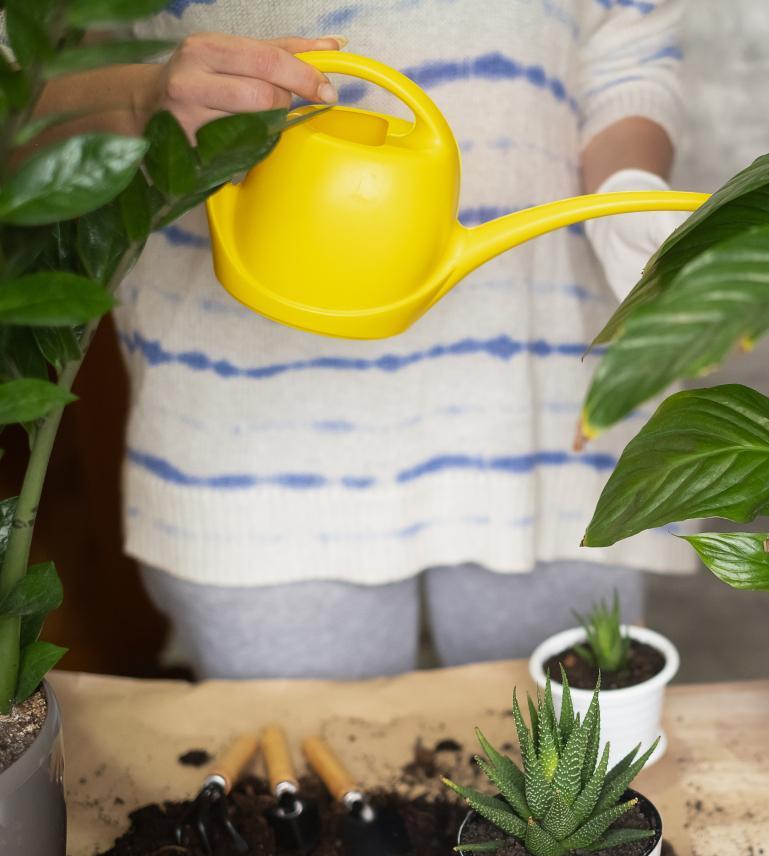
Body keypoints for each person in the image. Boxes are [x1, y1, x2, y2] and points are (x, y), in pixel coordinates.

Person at [33, 1, 695, 678]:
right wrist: (138, 103)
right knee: (302, 766)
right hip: (249, 438)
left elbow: (627, 48)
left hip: (544, 410)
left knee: (562, 769)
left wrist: (627, 191)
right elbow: (15, 98)